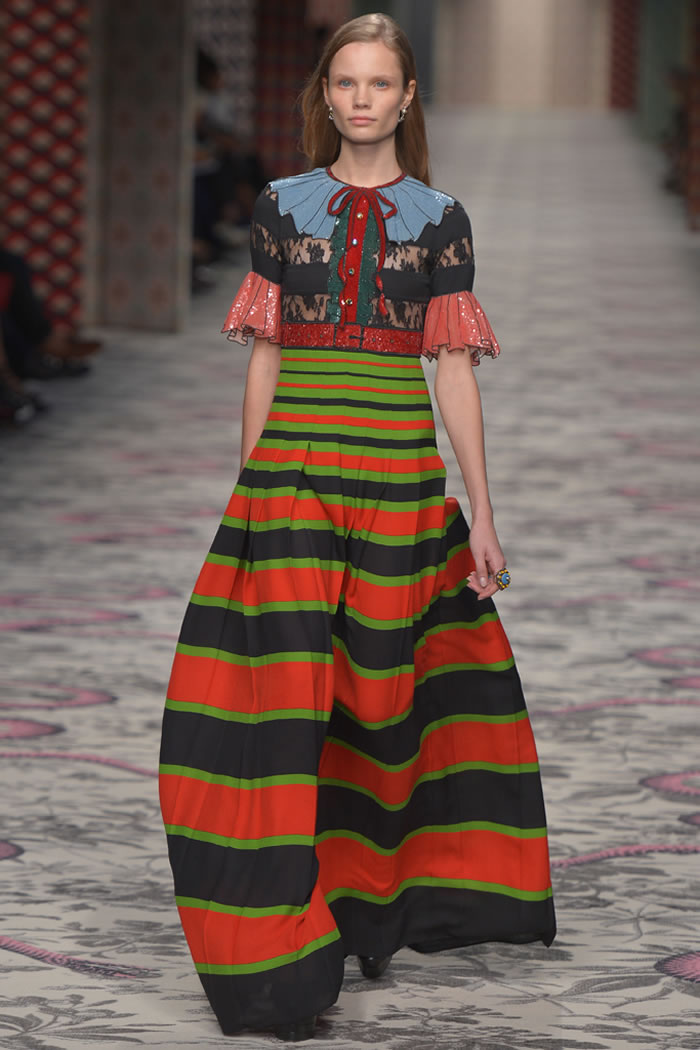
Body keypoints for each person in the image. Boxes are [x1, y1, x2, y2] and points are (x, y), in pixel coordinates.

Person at [160, 12, 555, 1042]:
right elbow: (265, 354)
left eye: (379, 83)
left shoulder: (441, 218)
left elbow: (452, 371)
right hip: (293, 478)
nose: (362, 99)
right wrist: (249, 487)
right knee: (281, 701)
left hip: (396, 480)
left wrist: (481, 510)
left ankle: (367, 903)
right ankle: (279, 944)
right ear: (325, 95)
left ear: (406, 96)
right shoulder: (279, 205)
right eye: (345, 82)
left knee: (379, 704)